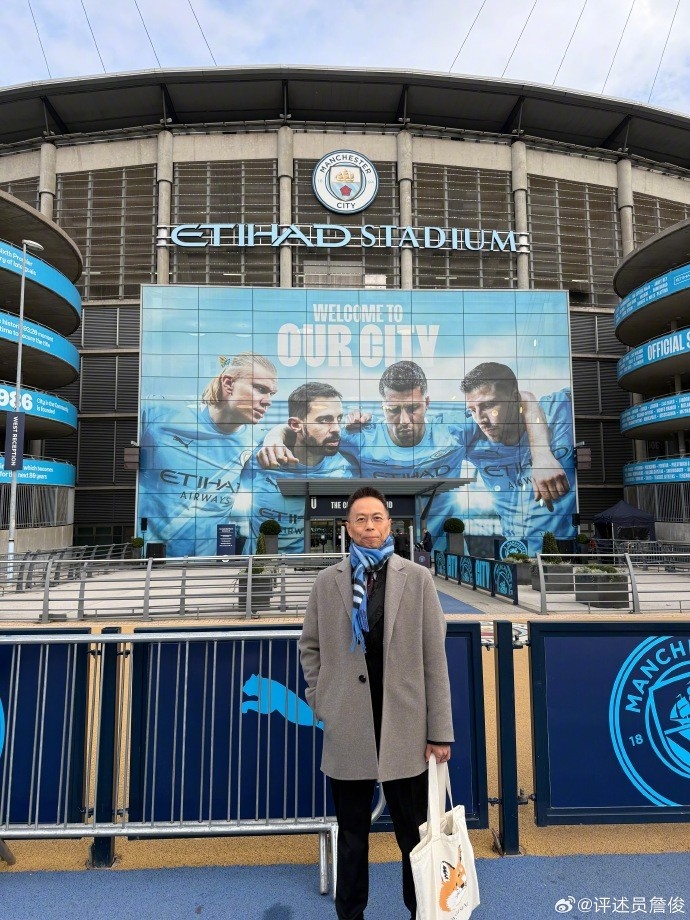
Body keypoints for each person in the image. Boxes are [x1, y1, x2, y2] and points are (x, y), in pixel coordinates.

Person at [299, 485, 453, 920]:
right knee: (352, 836)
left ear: (389, 524)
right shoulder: (327, 582)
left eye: (377, 518)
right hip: (349, 726)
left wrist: (440, 730)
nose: (369, 526)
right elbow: (309, 647)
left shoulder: (417, 579)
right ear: (347, 528)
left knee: (414, 837)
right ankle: (350, 915)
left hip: (406, 727)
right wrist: (322, 701)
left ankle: (423, 912)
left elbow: (434, 657)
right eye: (361, 519)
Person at [260, 360, 569, 553]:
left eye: (413, 408)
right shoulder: (360, 436)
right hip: (375, 550)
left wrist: (542, 456)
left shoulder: (454, 429)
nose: (405, 420)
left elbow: (523, 398)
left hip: (439, 556)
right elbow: (308, 429)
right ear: (382, 407)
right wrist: (274, 435)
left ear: (427, 403)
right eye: (394, 410)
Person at [138, 351, 278, 557]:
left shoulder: (259, 442)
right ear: (228, 384)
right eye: (260, 389)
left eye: (271, 394)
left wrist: (277, 434)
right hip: (154, 561)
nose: (268, 401)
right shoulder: (160, 417)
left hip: (209, 565)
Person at [456, 361, 576, 555]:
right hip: (518, 553)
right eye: (472, 409)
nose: (481, 419)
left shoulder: (557, 408)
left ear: (514, 399)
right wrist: (541, 454)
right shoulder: (473, 439)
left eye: (489, 405)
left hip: (571, 549)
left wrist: (542, 454)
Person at [240, 382, 354, 553]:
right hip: (260, 565)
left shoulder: (346, 468)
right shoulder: (258, 456)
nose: (337, 429)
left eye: (339, 418)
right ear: (295, 425)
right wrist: (274, 435)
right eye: (324, 420)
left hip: (312, 565)